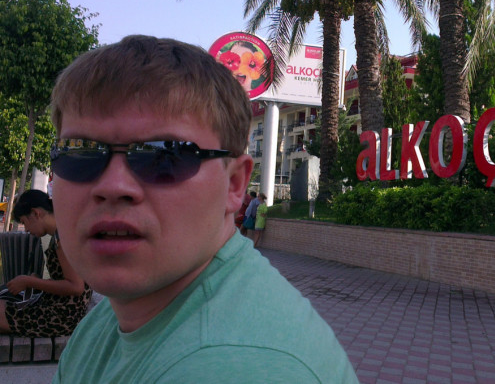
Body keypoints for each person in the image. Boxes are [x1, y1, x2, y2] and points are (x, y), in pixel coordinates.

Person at [49, 36, 358, 383]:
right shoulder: (115, 316)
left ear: (234, 184)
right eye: (81, 151)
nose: (113, 186)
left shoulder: (231, 365)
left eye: (165, 154)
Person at [0, 189, 92, 338]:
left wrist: (29, 281)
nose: (26, 230)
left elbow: (76, 287)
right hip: (59, 310)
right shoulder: (64, 232)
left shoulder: (63, 239)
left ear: (36, 213)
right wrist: (37, 282)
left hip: (60, 318)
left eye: (24, 222)